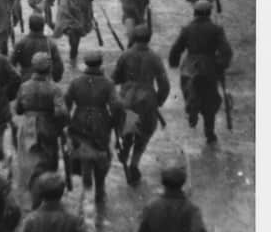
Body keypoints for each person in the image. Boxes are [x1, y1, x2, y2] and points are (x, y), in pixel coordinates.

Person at [167, 0, 233, 144]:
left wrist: (173, 62)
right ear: (209, 13)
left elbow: (177, 48)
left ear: (195, 13)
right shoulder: (216, 29)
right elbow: (226, 51)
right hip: (209, 67)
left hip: (190, 66)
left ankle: (192, 107)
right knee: (210, 100)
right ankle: (209, 132)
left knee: (187, 90)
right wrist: (221, 65)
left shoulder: (187, 29)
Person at [112, 25, 170, 186]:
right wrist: (158, 100)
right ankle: (134, 164)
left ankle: (125, 147)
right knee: (144, 134)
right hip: (147, 101)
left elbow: (115, 78)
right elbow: (164, 84)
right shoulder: (154, 57)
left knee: (128, 129)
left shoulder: (125, 55)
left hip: (128, 101)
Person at [64, 53, 121, 206]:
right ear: (100, 63)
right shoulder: (108, 83)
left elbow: (66, 104)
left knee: (82, 149)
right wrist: (115, 124)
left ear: (86, 64)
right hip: (101, 122)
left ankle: (86, 186)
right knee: (102, 152)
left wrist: (67, 123)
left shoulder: (75, 82)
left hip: (79, 120)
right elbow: (116, 106)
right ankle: (100, 189)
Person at [13, 54, 68, 208]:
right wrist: (59, 127)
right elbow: (62, 113)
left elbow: (18, 110)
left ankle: (31, 200)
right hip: (48, 127)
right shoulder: (54, 88)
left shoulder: (24, 86)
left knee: (28, 164)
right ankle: (46, 198)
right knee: (48, 164)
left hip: (28, 128)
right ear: (49, 68)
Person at [10, 12, 64, 83]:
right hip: (45, 80)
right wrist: (56, 79)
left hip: (25, 80)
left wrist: (17, 80)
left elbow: (10, 65)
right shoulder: (50, 44)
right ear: (43, 26)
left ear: (29, 26)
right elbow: (59, 66)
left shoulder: (21, 43)